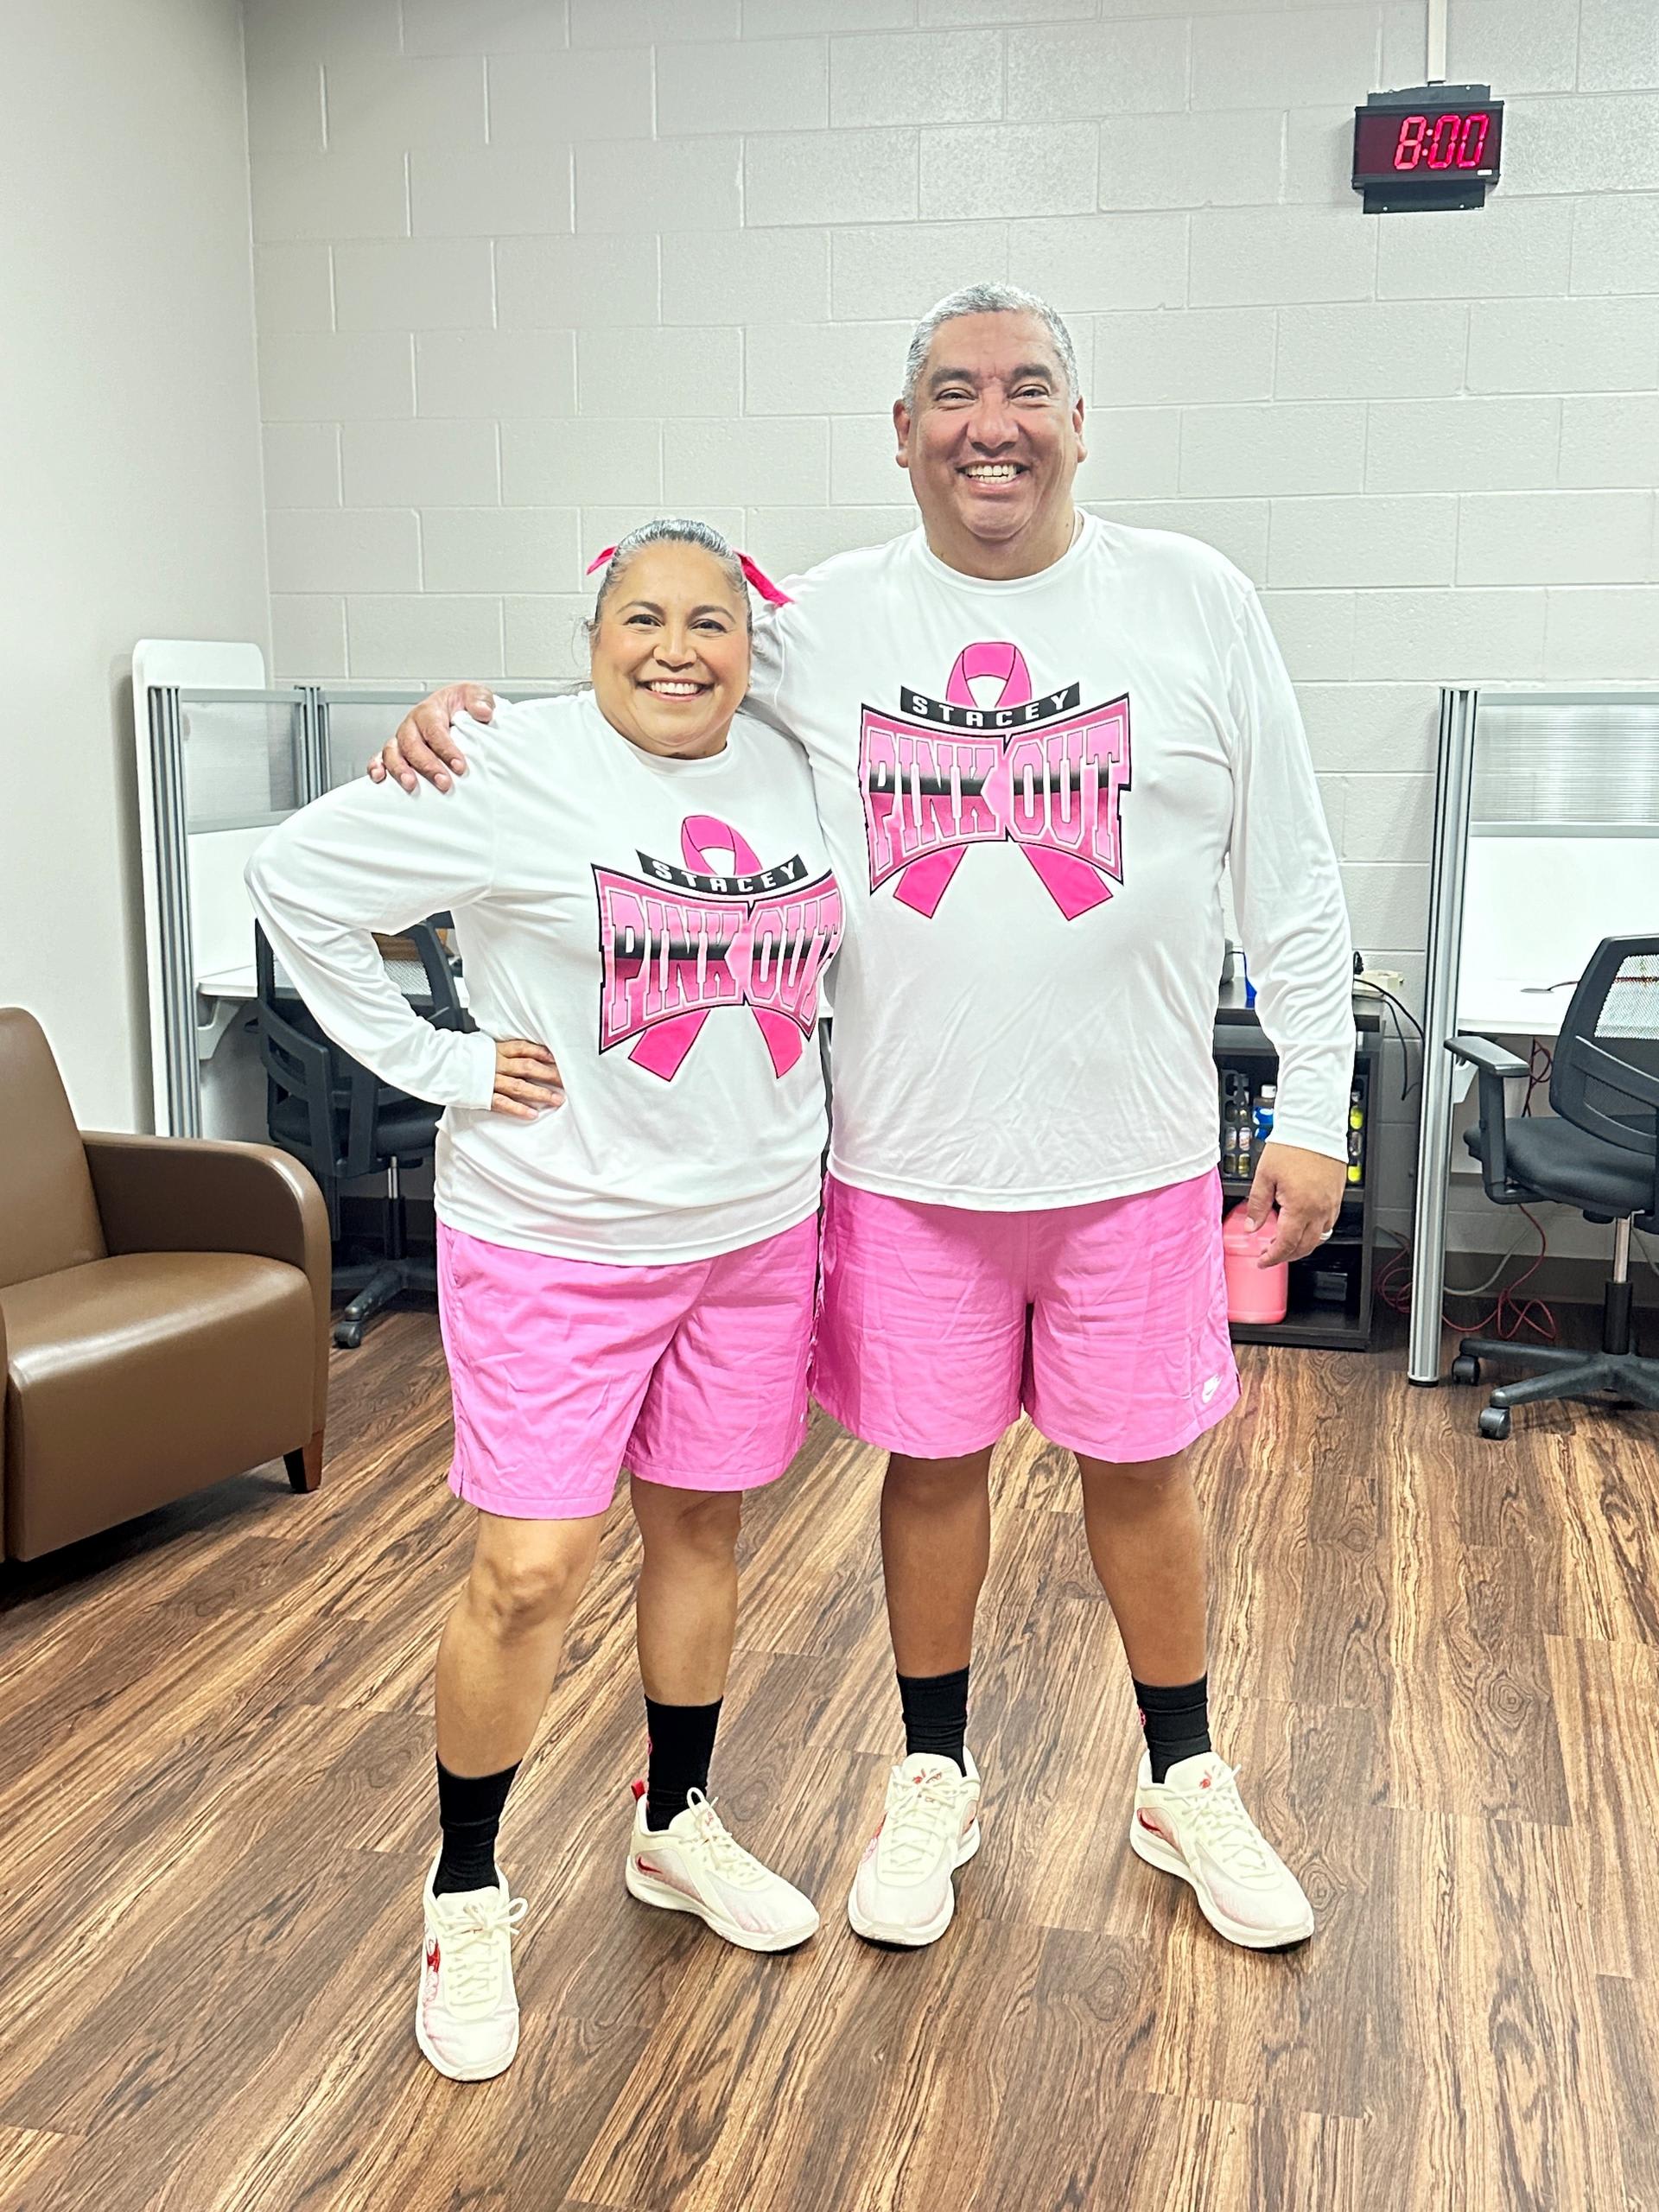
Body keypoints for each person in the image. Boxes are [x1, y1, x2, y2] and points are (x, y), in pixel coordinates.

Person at [372, 283, 1354, 1957]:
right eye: (955, 392)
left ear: (1080, 420)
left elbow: (1298, 869)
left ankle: (1182, 1776)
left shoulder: (1195, 597)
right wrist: (468, 733)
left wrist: (1315, 1099)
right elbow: (650, 695)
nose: (993, 422)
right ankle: (931, 1774)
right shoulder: (820, 622)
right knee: (933, 1471)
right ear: (903, 432)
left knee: (1144, 1477)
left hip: (1130, 1156)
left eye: (1028, 387)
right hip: (903, 1161)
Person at [247, 519, 843, 2082]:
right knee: (528, 1570)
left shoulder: (800, 767)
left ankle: (675, 1822)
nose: (677, 648)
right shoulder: (511, 764)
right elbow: (293, 879)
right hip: (556, 1236)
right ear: (590, 639)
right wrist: (438, 1062)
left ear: (752, 646)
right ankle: (465, 1891)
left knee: (700, 1531)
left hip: (752, 1228)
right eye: (642, 617)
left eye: (710, 621)